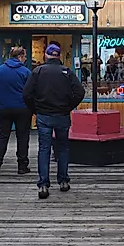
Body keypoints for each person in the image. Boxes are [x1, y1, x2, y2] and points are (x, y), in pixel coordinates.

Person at [23, 43, 85, 200]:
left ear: (46, 55)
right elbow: (80, 92)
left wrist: (35, 109)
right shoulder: (67, 72)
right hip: (62, 115)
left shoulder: (37, 72)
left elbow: (26, 94)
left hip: (43, 115)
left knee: (44, 149)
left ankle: (43, 184)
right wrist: (69, 106)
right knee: (62, 148)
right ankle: (63, 180)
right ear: (59, 56)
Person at [0, 46, 32, 176]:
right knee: (23, 137)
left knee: (2, 137)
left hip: (3, 108)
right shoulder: (26, 72)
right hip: (22, 109)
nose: (25, 59)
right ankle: (22, 166)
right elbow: (30, 92)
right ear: (20, 57)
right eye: (24, 57)